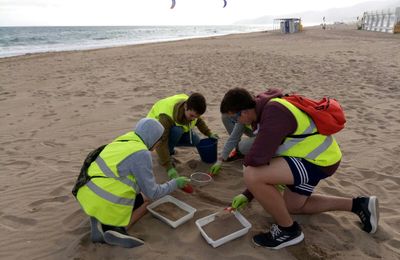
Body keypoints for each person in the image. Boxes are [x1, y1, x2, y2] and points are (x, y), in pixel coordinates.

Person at [220, 88, 379, 249]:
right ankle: (359, 205)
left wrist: (248, 191)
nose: (237, 122)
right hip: (318, 158)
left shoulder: (273, 112)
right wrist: (247, 195)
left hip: (317, 161)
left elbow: (257, 160)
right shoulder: (265, 109)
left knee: (251, 173)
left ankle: (287, 231)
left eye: (234, 117)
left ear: (244, 112)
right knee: (293, 207)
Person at [72, 118, 190, 248]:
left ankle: (97, 218)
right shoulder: (142, 154)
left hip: (86, 193)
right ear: (152, 138)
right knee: (147, 201)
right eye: (159, 140)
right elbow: (153, 193)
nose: (159, 144)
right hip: (106, 200)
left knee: (133, 192)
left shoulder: (125, 139)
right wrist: (175, 183)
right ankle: (119, 229)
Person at [209, 89, 283, 175]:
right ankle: (240, 151)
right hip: (259, 132)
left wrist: (250, 163)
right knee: (226, 117)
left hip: (281, 141)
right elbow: (234, 137)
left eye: (234, 118)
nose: (235, 121)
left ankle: (242, 151)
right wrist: (220, 160)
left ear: (244, 112)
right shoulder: (246, 113)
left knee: (243, 147)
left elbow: (270, 145)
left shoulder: (270, 113)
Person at [147, 93, 218, 181]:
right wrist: (168, 167)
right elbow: (161, 141)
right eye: (192, 116)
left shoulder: (192, 107)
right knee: (177, 131)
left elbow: (199, 121)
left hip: (173, 129)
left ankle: (170, 147)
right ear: (185, 106)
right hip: (156, 135)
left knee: (196, 141)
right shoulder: (165, 117)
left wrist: (209, 133)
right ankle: (168, 153)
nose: (193, 119)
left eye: (196, 116)